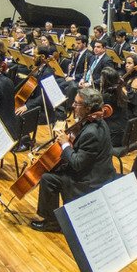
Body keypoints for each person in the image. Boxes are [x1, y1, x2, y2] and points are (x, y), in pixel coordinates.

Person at [31, 88, 117, 232]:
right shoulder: (97, 122)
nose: (73, 106)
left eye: (77, 104)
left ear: (88, 108)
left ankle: (52, 222)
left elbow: (77, 163)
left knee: (48, 178)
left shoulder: (92, 133)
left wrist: (65, 144)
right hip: (97, 171)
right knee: (56, 169)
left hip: (90, 181)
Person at [100, 67, 129, 146]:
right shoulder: (122, 93)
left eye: (101, 80)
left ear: (105, 82)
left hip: (112, 137)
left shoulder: (105, 97)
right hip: (124, 135)